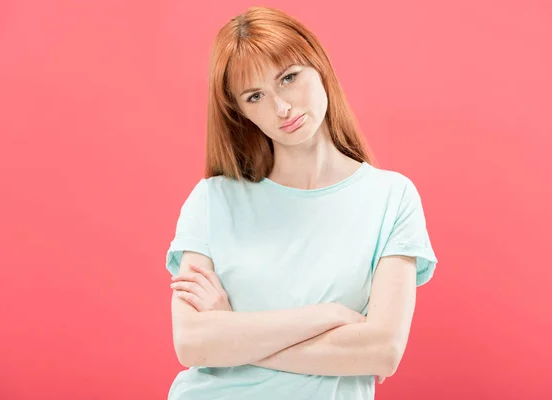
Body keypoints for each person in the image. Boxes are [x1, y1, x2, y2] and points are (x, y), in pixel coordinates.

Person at [165, 6, 438, 400]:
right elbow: (194, 344)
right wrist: (325, 317)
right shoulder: (211, 201)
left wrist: (232, 330)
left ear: (319, 66)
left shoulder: (391, 198)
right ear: (240, 112)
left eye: (289, 78)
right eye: (255, 96)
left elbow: (381, 351)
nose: (281, 108)